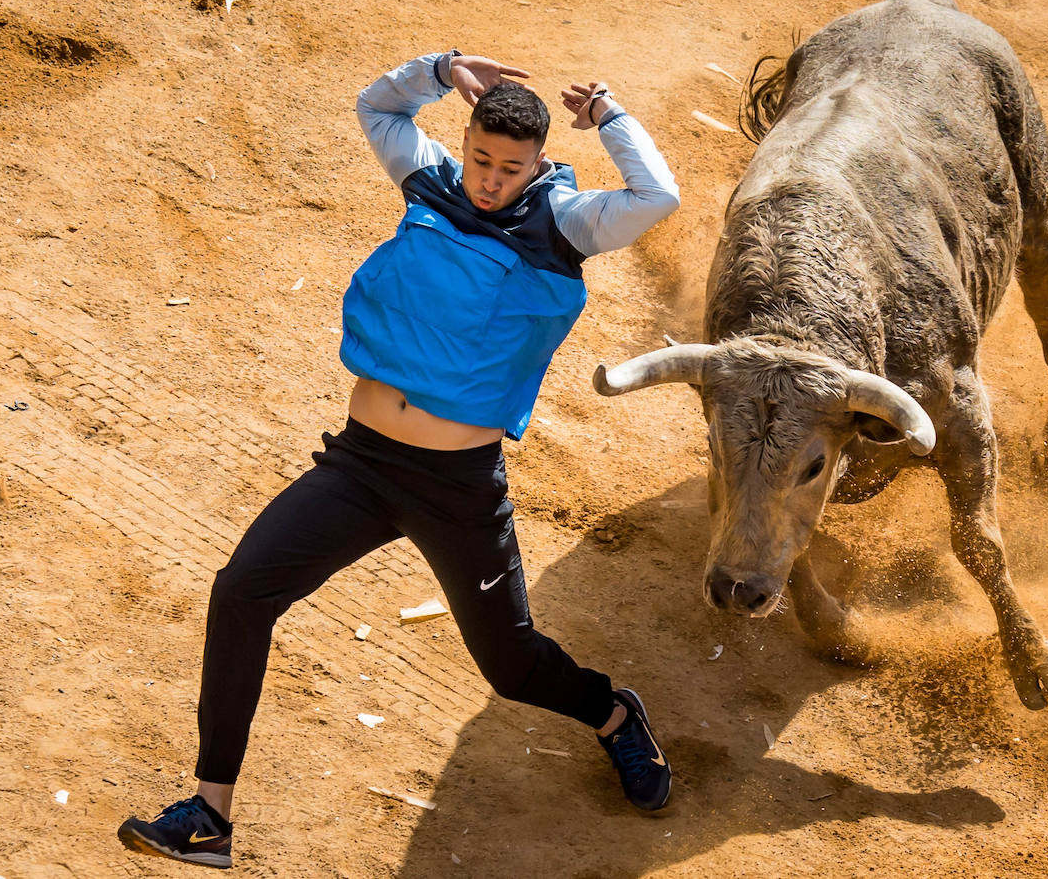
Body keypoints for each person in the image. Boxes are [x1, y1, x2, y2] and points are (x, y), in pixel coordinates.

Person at [117, 49, 680, 869]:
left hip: (455, 488)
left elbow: (655, 196)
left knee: (511, 667)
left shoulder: (566, 222)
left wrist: (612, 120)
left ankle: (613, 716)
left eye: (509, 168)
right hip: (363, 467)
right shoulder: (434, 181)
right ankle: (210, 815)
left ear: (540, 162)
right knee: (242, 593)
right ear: (467, 141)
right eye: (481, 158)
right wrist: (441, 66)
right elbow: (377, 109)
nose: (489, 180)